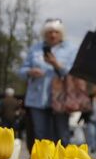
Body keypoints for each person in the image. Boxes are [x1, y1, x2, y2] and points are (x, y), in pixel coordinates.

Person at [18, 18, 76, 146]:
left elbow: (73, 74)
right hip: (37, 98)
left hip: (61, 98)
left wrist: (56, 65)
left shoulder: (70, 49)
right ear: (44, 33)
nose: (52, 35)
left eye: (56, 32)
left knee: (62, 134)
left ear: (61, 34)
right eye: (49, 32)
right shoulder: (36, 48)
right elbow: (21, 71)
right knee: (40, 134)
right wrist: (30, 72)